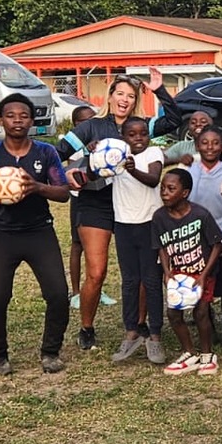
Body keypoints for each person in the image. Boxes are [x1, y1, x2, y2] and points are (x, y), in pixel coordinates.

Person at [62, 70, 180, 351]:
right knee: (97, 271)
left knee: (139, 271)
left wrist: (160, 90)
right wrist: (72, 170)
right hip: (97, 204)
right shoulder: (91, 126)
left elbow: (175, 120)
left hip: (133, 206)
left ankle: (138, 325)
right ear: (110, 95)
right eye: (120, 94)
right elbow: (59, 152)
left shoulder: (141, 126)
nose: (124, 100)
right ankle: (87, 327)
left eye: (131, 96)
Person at [0, 94, 70, 377]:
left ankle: (50, 352)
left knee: (58, 294)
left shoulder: (45, 153)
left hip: (39, 232)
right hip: (1, 234)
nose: (17, 120)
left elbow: (63, 193)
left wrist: (37, 187)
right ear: (1, 120)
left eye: (23, 115)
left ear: (32, 121)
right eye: (11, 115)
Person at [153, 168, 222, 376]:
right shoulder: (159, 217)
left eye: (171, 188)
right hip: (178, 273)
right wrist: (167, 272)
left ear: (184, 193)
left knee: (201, 312)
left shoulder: (200, 214)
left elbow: (217, 245)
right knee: (173, 313)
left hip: (202, 273)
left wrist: (204, 275)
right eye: (162, 188)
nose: (164, 193)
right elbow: (162, 246)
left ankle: (207, 354)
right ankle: (189, 352)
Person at [110, 116, 166, 365]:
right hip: (123, 224)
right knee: (130, 281)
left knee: (152, 281)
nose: (138, 138)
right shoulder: (115, 156)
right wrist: (94, 153)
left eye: (143, 133)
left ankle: (154, 336)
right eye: (132, 135)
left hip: (149, 225)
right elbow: (92, 173)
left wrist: (132, 170)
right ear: (123, 137)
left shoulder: (153, 153)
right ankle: (131, 332)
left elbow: (154, 179)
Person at [186, 128, 222, 346]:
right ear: (197, 146)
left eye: (215, 143)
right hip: (198, 238)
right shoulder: (190, 171)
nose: (210, 147)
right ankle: (206, 323)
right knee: (201, 284)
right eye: (205, 143)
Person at [64, 106, 114, 312]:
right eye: (83, 122)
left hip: (100, 194)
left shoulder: (99, 141)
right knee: (78, 245)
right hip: (80, 198)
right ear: (76, 125)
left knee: (97, 253)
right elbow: (72, 163)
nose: (88, 125)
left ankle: (95, 289)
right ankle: (76, 292)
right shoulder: (75, 143)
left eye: (91, 121)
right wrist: (88, 150)